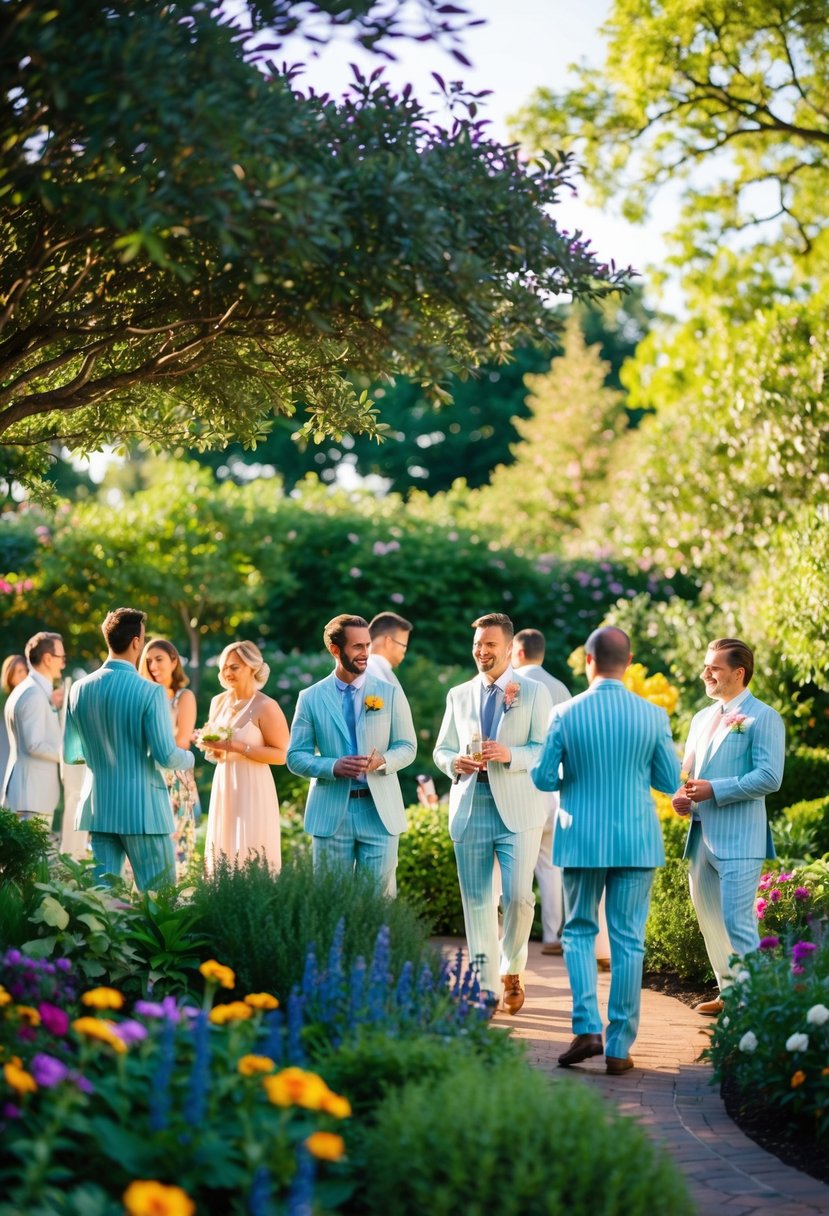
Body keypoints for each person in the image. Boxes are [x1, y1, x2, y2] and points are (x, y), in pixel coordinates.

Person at [531, 626, 679, 1074]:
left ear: (589, 661)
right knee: (628, 941)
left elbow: (541, 778)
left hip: (581, 839)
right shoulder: (653, 716)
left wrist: (570, 781)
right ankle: (618, 1048)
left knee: (577, 931)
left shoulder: (565, 713)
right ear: (629, 661)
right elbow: (669, 783)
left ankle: (586, 1027)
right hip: (636, 839)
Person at [433, 612, 552, 1014]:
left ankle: (512, 968)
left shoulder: (534, 693)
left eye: (490, 645)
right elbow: (441, 749)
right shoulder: (458, 694)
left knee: (519, 898)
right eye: (477, 644)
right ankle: (485, 988)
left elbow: (545, 750)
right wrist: (455, 764)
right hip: (470, 806)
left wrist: (510, 754)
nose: (481, 652)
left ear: (508, 647)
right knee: (478, 901)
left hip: (519, 807)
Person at [671, 638, 785, 1016]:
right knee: (709, 922)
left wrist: (714, 790)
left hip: (740, 837)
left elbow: (770, 777)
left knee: (738, 923)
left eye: (714, 667)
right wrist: (683, 795)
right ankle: (729, 992)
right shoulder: (701, 717)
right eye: (706, 666)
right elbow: (690, 774)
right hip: (701, 836)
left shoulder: (763, 716)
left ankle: (755, 1006)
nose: (706, 673)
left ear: (739, 673)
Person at [63, 607, 195, 890]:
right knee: (161, 901)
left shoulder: (78, 689)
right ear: (137, 641)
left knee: (102, 904)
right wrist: (190, 758)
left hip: (99, 808)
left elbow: (72, 754)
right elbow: (166, 755)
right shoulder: (150, 691)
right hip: (144, 810)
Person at [287, 614, 416, 895]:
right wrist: (333, 766)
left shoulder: (389, 693)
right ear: (335, 650)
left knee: (379, 905)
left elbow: (408, 747)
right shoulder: (310, 697)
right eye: (357, 647)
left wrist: (384, 760)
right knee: (332, 904)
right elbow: (295, 756)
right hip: (332, 814)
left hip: (379, 812)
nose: (365, 653)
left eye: (367, 645)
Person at [196, 641, 288, 876]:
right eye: (224, 667)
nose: (227, 673)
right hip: (225, 784)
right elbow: (217, 752)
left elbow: (282, 755)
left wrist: (237, 746)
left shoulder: (267, 706)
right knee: (222, 849)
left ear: (252, 667)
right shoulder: (218, 702)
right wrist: (210, 745)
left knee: (252, 849)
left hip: (254, 786)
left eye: (234, 667)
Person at [511, 628, 571, 956]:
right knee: (550, 867)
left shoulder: (512, 684)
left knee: (515, 863)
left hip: (520, 787)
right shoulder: (560, 687)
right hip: (554, 790)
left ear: (517, 652)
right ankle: (551, 935)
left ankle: (512, 937)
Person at [139, 638, 202, 881]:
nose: (153, 665)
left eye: (159, 659)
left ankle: (174, 903)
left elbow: (182, 742)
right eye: (149, 660)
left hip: (175, 779)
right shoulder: (142, 697)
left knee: (177, 846)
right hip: (146, 775)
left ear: (174, 661)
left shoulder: (183, 697)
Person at [2, 633, 66, 825]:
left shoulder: (27, 690)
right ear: (48, 659)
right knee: (36, 856)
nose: (63, 664)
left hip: (28, 794)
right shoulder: (34, 695)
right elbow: (33, 745)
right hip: (33, 796)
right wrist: (68, 756)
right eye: (62, 658)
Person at [0, 654, 28, 794]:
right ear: (9, 676)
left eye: (24, 670)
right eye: (18, 671)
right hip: (21, 769)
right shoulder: (17, 701)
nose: (23, 675)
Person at [366, 611, 413, 689]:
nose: (404, 652)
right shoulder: (380, 677)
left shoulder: (355, 668)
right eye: (404, 646)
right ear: (389, 642)